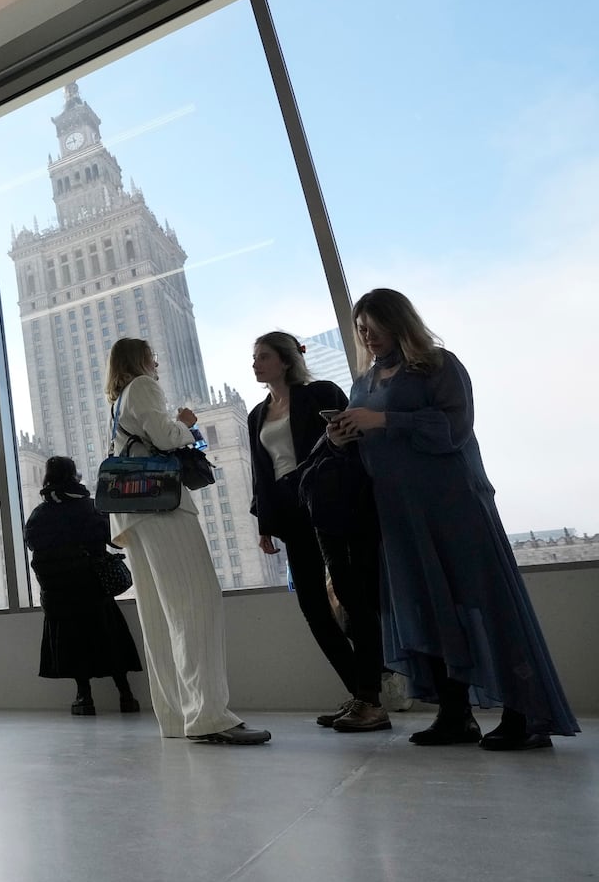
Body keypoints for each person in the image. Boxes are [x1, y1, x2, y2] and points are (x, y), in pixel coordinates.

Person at [328, 288, 579, 750]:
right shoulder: (363, 383)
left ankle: (526, 714)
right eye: (361, 329)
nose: (368, 336)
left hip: (453, 504)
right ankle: (455, 714)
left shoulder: (439, 365)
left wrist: (384, 422)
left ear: (398, 321)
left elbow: (454, 430)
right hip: (400, 513)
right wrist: (346, 436)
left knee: (483, 601)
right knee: (427, 607)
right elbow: (375, 450)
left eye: (374, 326)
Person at [105, 338, 270, 745]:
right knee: (196, 604)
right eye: (152, 356)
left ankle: (178, 717)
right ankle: (210, 715)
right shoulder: (142, 387)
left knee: (160, 618)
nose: (157, 362)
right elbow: (165, 436)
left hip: (134, 514)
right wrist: (185, 422)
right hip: (162, 508)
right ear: (139, 361)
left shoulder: (118, 402)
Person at [247, 331, 387, 732]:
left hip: (329, 500)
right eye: (254, 357)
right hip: (289, 509)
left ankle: (372, 698)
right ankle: (360, 694)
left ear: (286, 361)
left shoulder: (319, 392)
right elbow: (263, 473)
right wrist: (265, 525)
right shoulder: (258, 413)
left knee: (350, 596)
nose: (255, 364)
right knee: (312, 606)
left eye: (263, 357)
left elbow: (349, 445)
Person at [24, 456, 142, 715]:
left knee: (72, 642)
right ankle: (126, 695)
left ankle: (84, 697)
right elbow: (115, 541)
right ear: (75, 476)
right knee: (109, 637)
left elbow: (33, 545)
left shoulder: (40, 514)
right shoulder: (92, 507)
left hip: (59, 592)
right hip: (94, 585)